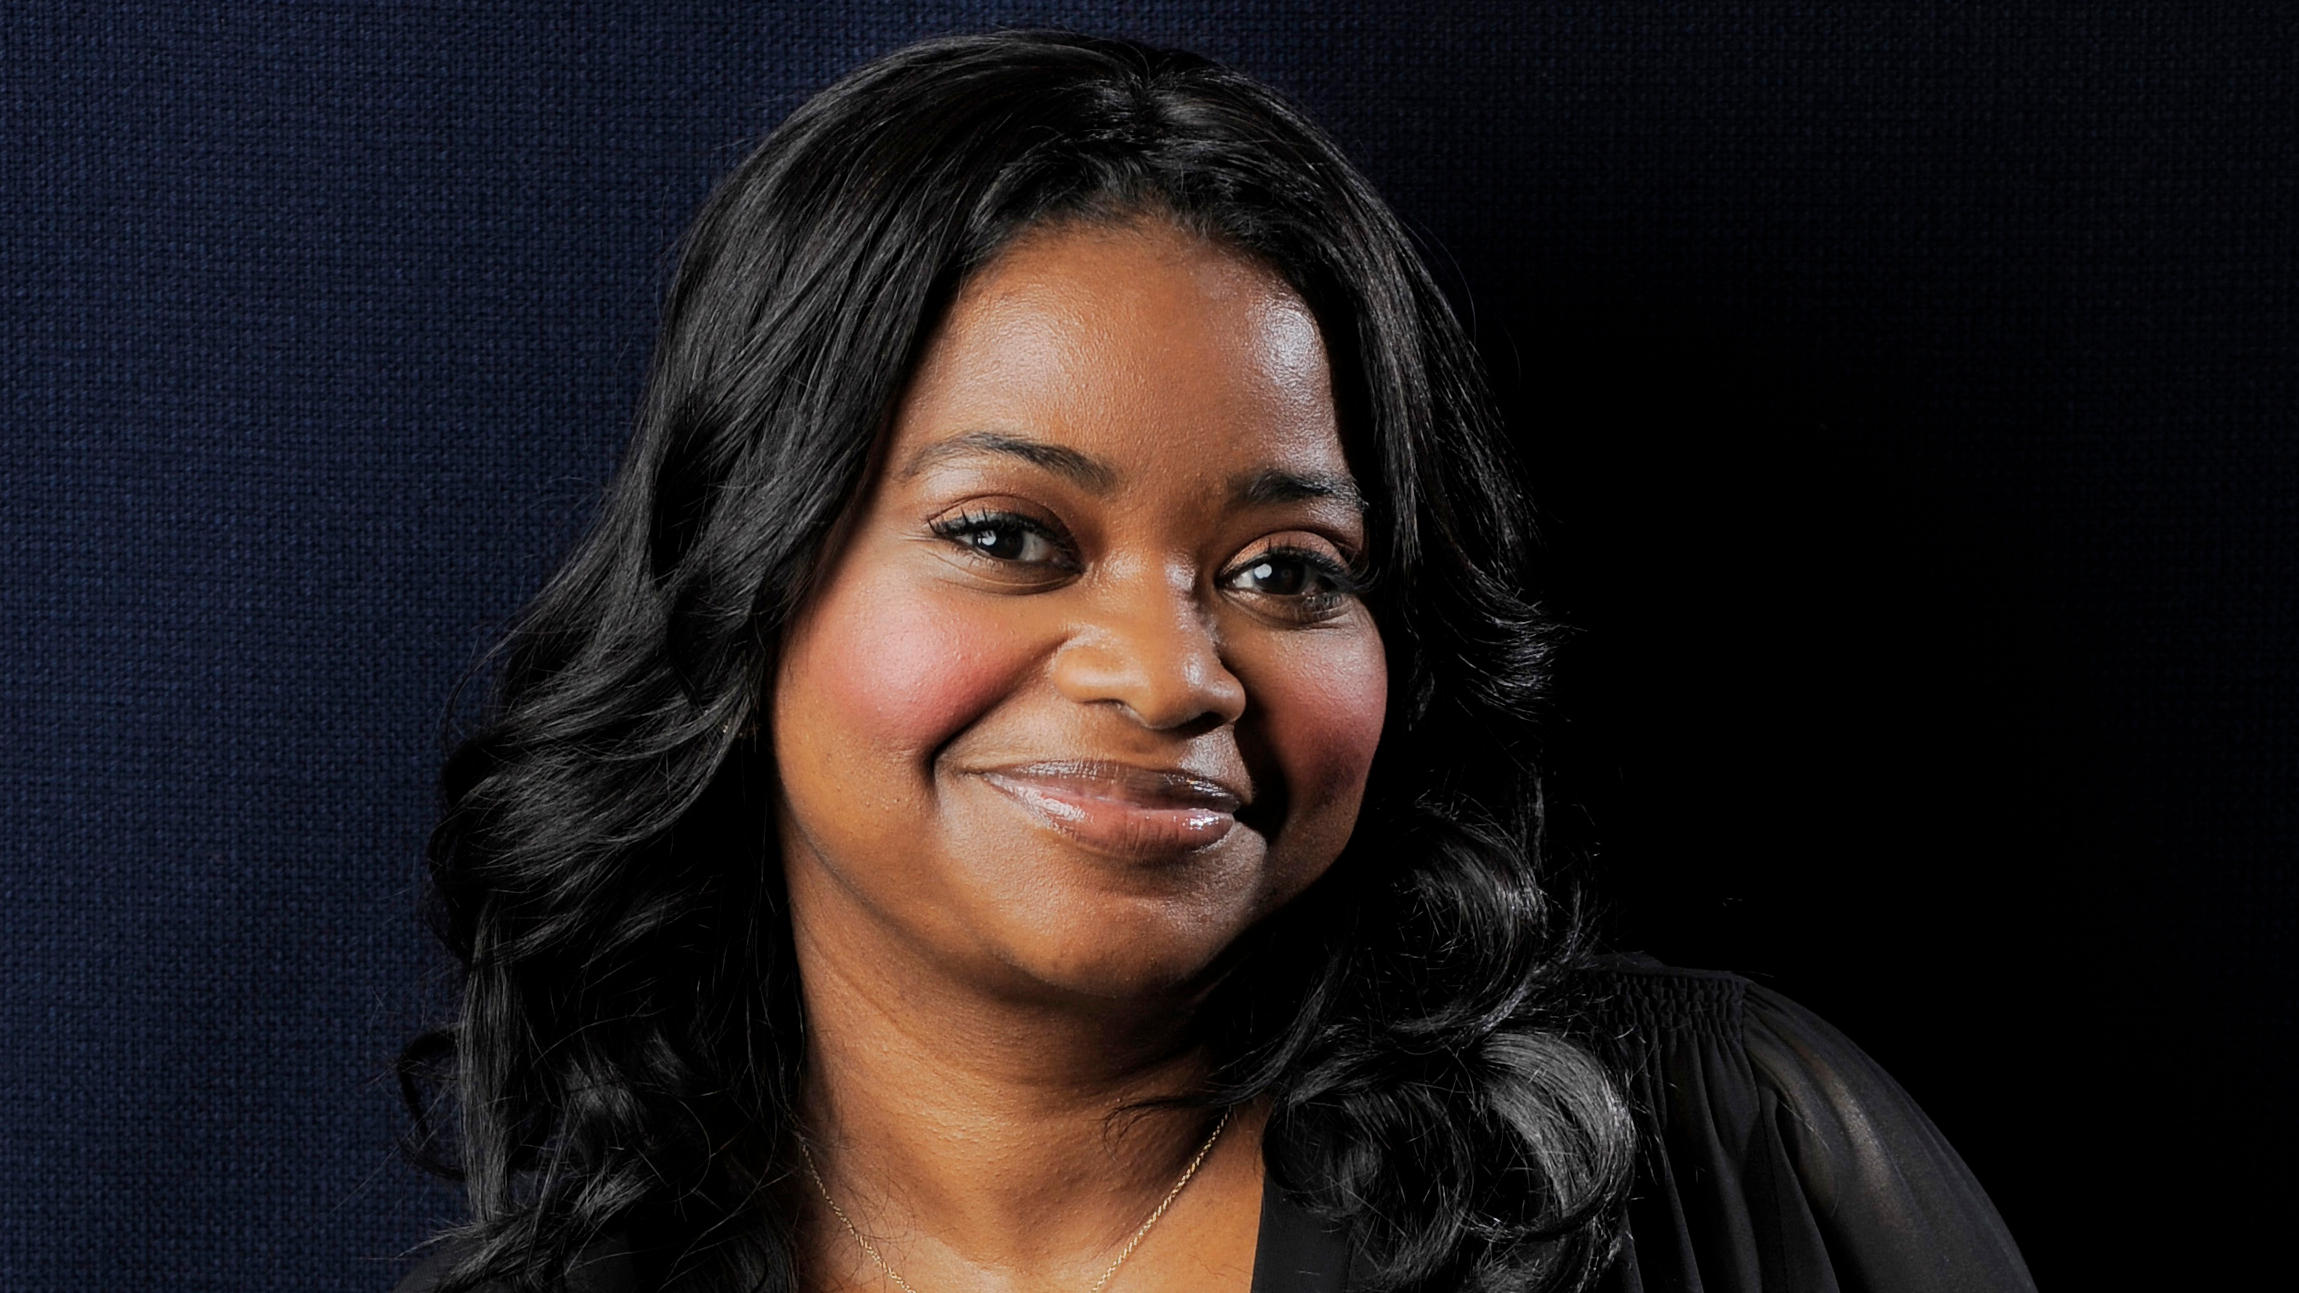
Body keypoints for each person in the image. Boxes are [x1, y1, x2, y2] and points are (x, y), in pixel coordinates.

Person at [394, 30, 2034, 1293]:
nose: (1172, 672)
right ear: (745, 577)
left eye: (1285, 570)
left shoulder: (1707, 1152)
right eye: (1010, 534)